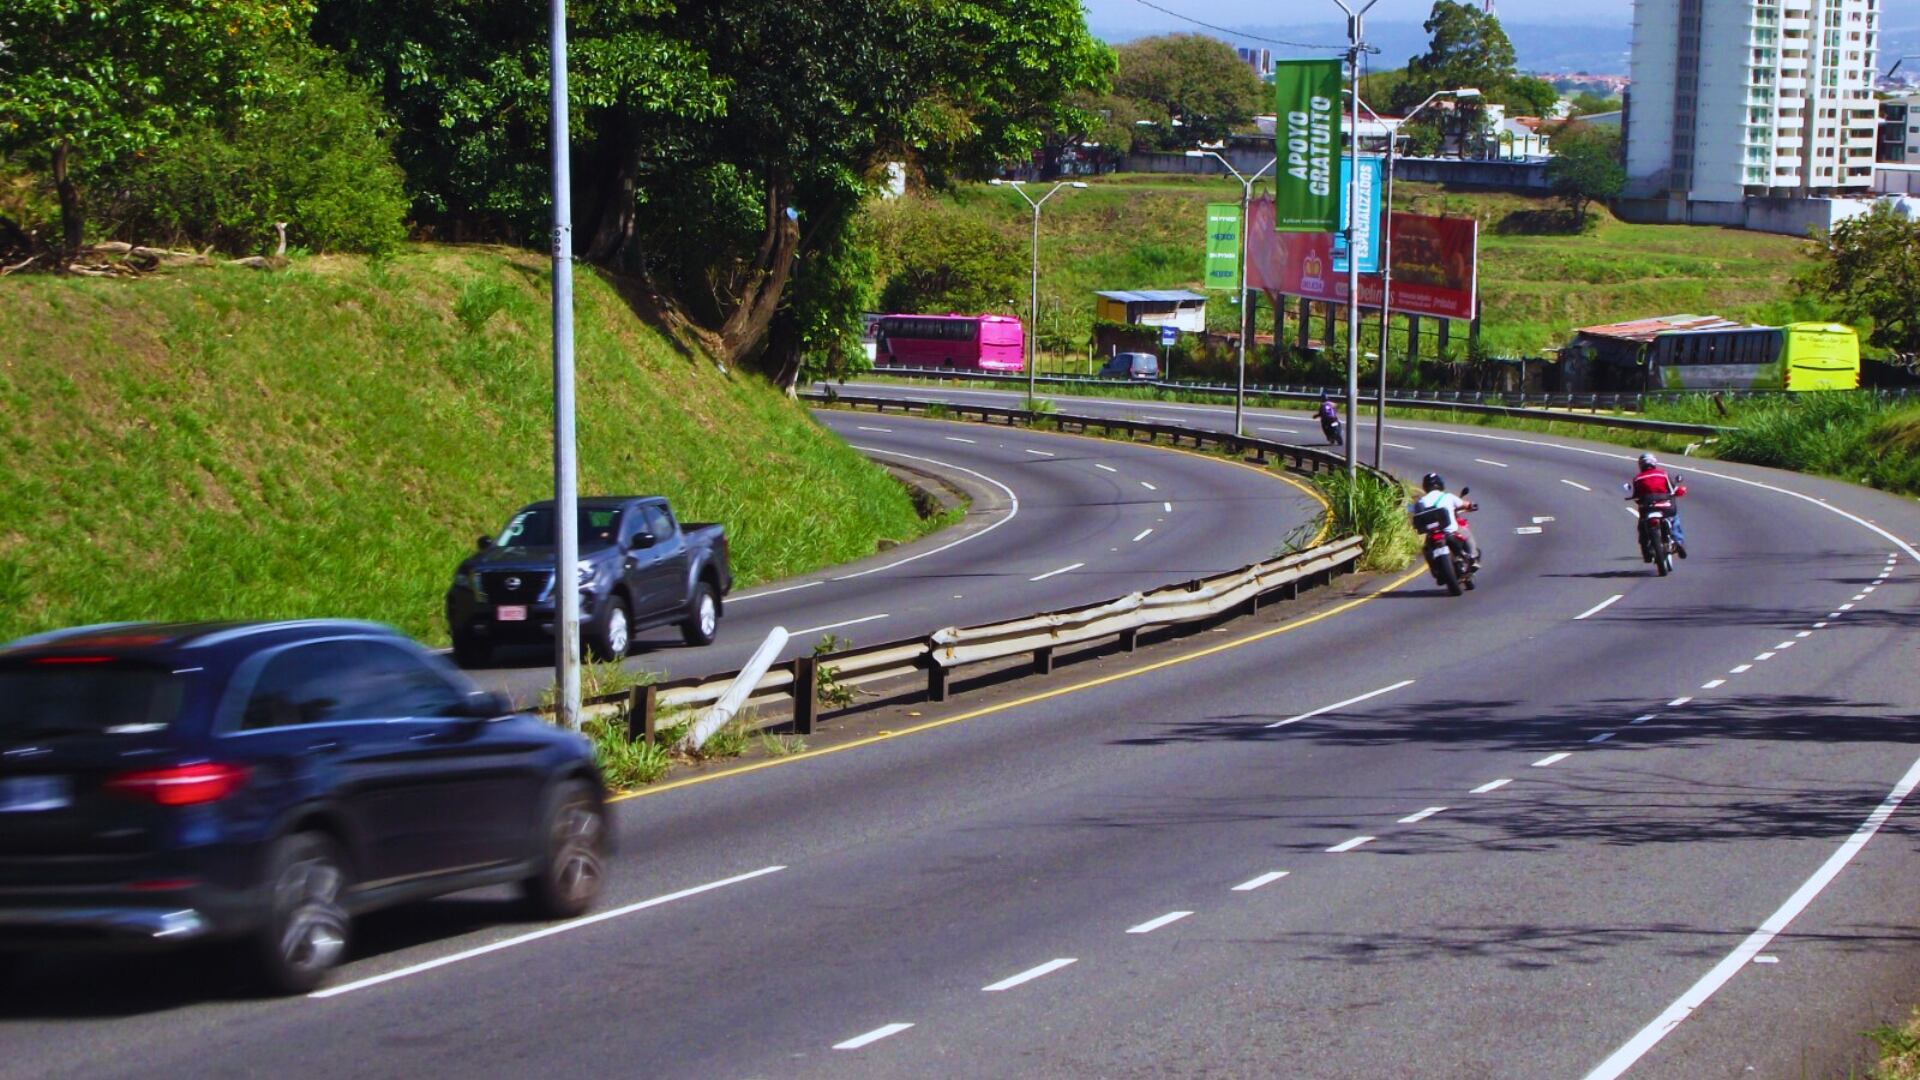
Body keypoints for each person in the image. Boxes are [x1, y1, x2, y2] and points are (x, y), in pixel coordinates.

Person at [1409, 472, 1479, 568]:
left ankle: (1437, 569)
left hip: (1432, 535)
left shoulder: (1421, 501)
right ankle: (1473, 557)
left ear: (1425, 486)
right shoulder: (1447, 496)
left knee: (1426, 549)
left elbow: (1410, 509)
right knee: (1466, 534)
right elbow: (1465, 504)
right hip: (1450, 532)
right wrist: (1471, 505)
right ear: (1440, 484)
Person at [1625, 452, 1687, 559]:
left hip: (1648, 508)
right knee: (1674, 518)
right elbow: (1673, 489)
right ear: (1654, 462)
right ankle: (1678, 541)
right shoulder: (1662, 474)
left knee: (1642, 526)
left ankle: (1645, 548)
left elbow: (1636, 496)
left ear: (1641, 464)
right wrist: (1680, 491)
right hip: (1665, 505)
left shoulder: (1637, 478)